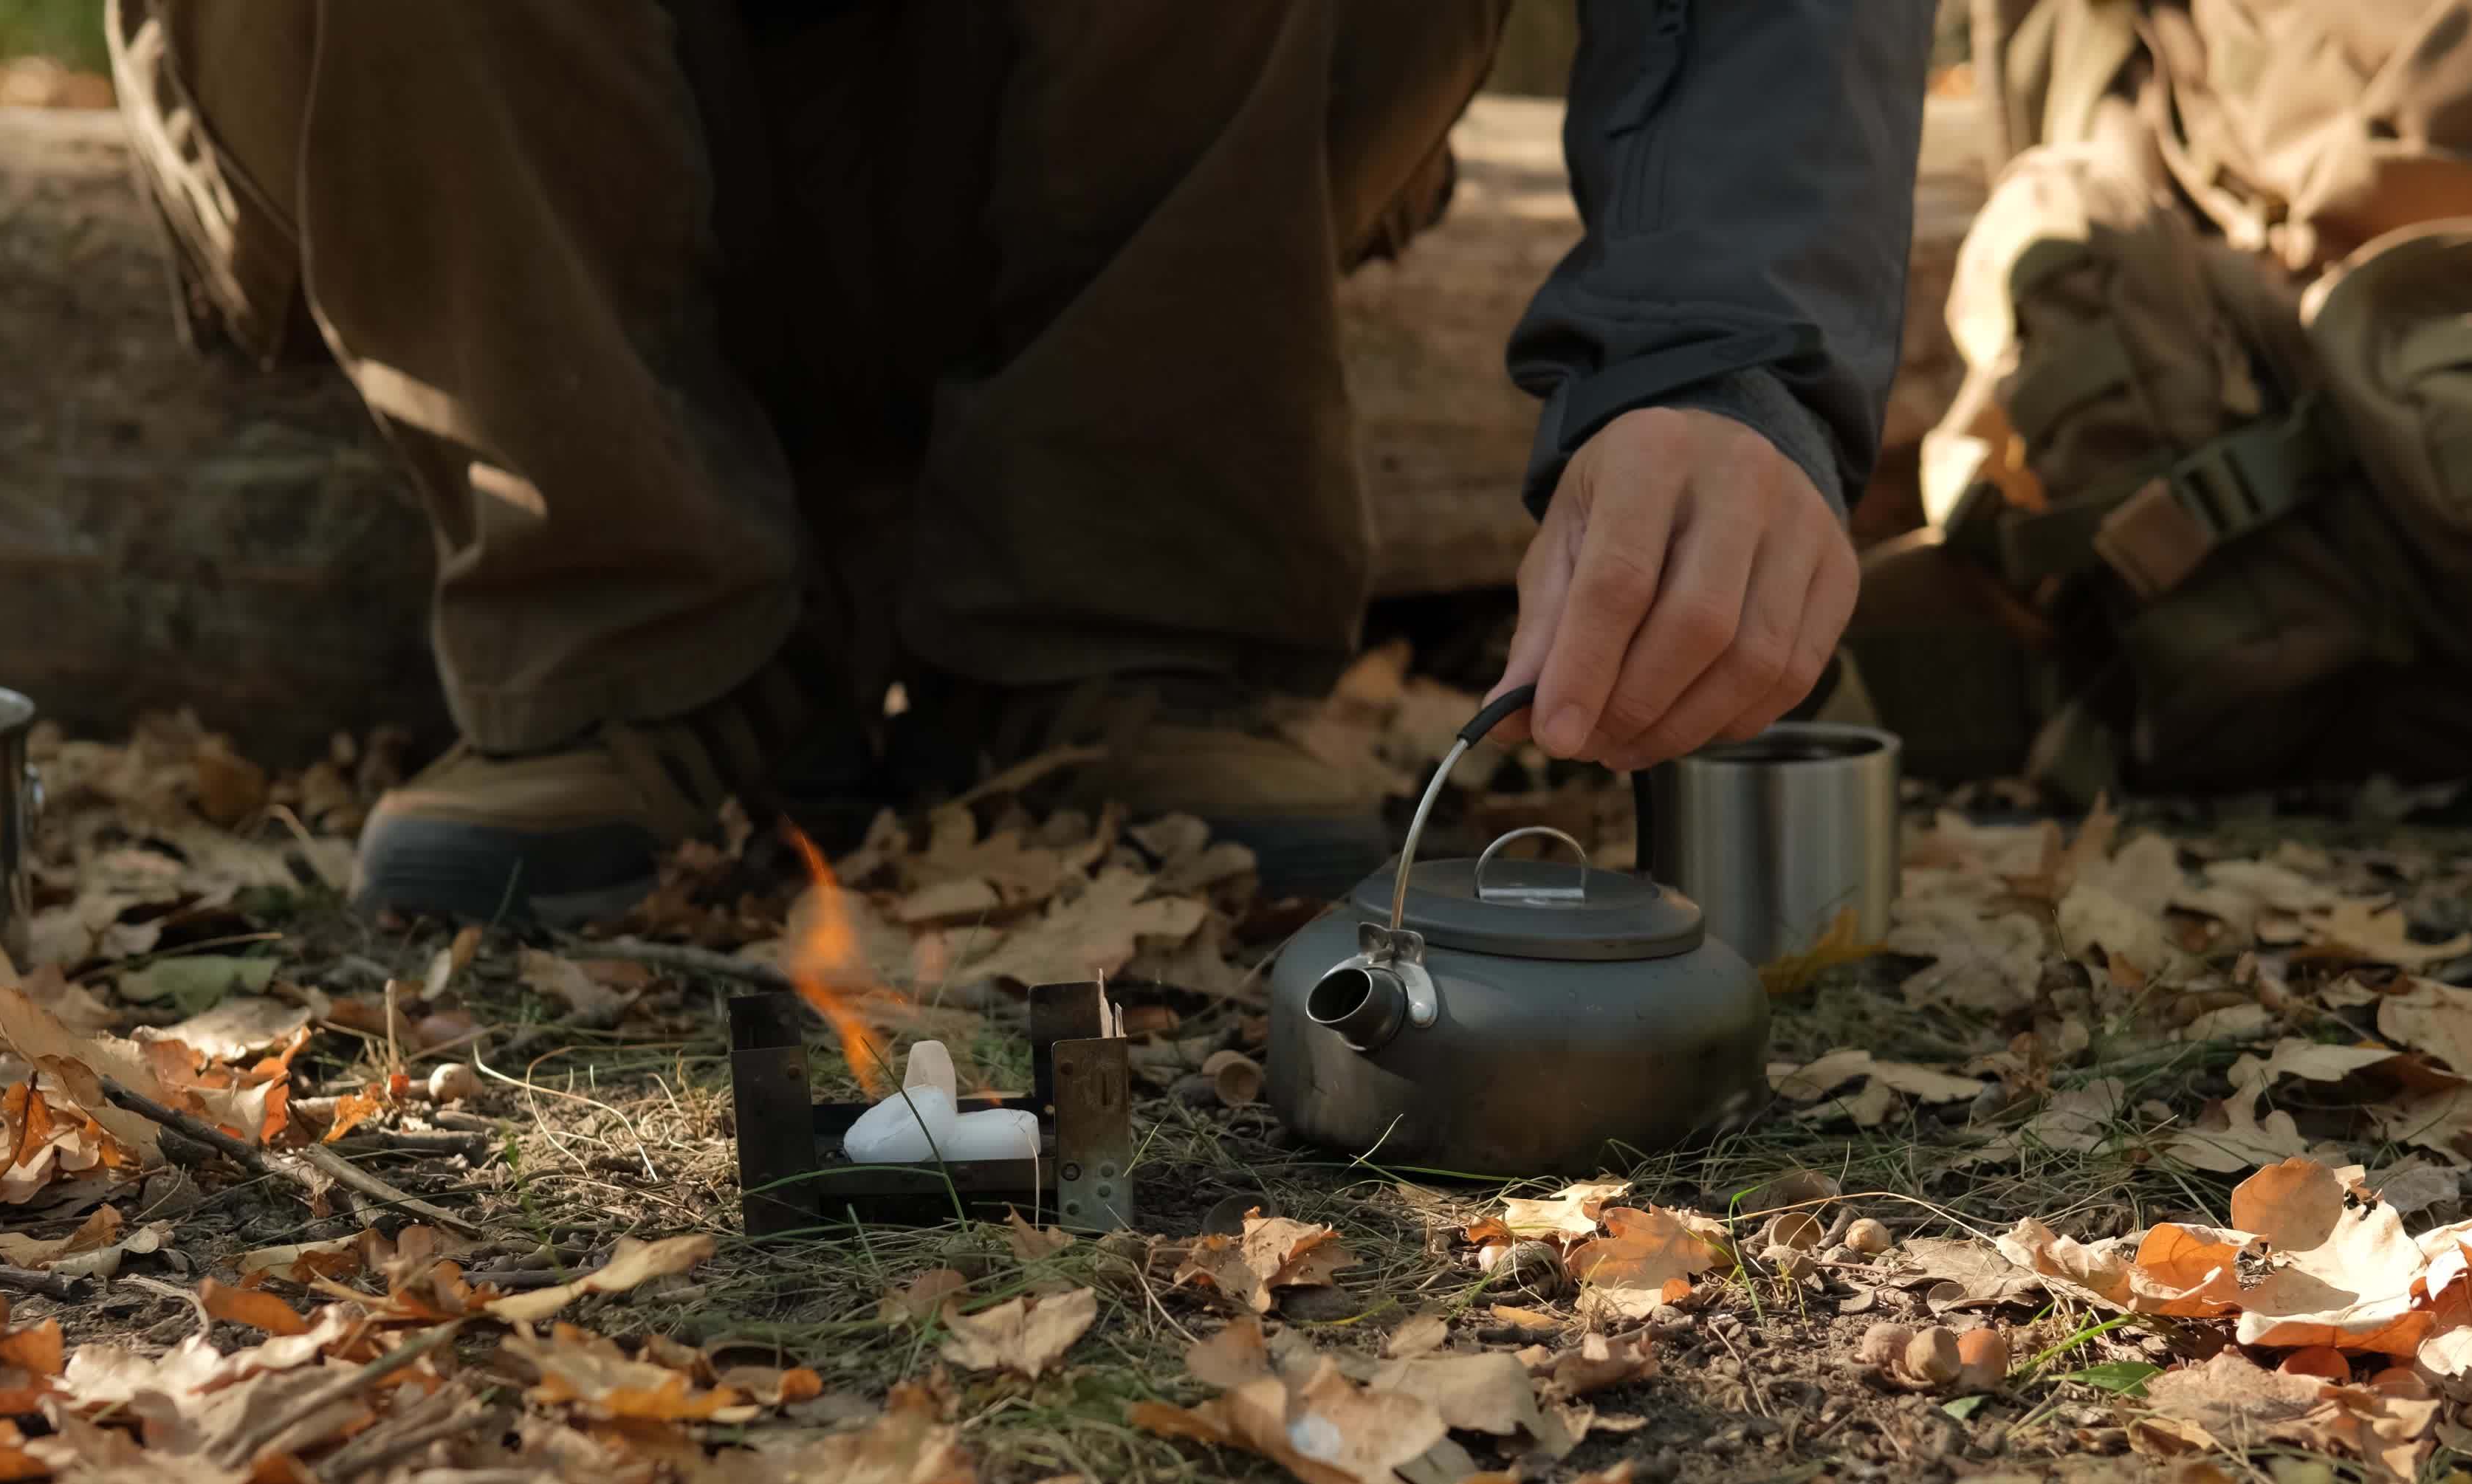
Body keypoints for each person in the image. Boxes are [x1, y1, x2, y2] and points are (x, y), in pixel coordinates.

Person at [109, 0, 1934, 922]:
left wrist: (1721, 355)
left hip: (1150, 133)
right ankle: (633, 631)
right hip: (497, 115)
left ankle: (1119, 613)